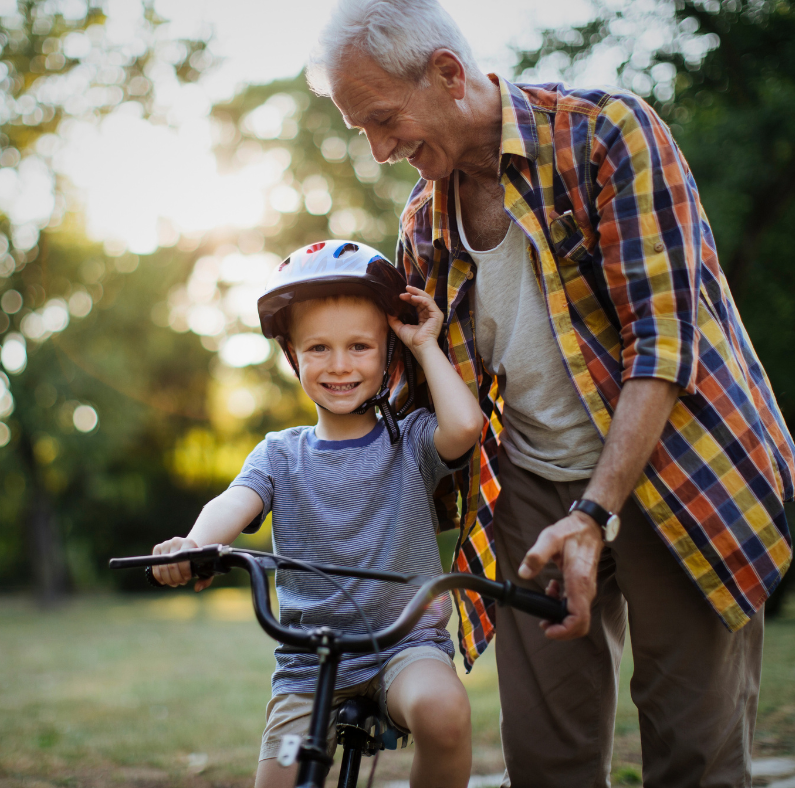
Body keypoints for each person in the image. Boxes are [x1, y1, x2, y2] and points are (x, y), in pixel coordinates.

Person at [307, 1, 795, 786]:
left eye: (383, 119)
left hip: (674, 463)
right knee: (547, 761)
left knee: (695, 755)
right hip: (531, 483)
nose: (378, 149)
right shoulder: (425, 225)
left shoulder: (607, 136)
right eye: (360, 129)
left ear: (446, 73)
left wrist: (595, 514)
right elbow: (422, 407)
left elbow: (664, 346)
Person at [151, 239, 482, 788]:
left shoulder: (413, 439)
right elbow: (232, 502)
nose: (340, 365)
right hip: (309, 663)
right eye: (319, 349)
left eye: (360, 346)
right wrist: (193, 544)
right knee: (281, 775)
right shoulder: (281, 453)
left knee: (444, 712)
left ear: (387, 352)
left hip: (405, 646)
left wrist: (423, 344)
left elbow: (466, 428)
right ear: (292, 357)